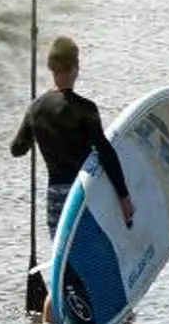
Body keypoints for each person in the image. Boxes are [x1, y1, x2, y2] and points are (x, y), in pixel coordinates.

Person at [11, 35, 135, 235]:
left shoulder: (36, 108)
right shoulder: (86, 109)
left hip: (56, 199)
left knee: (64, 259)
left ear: (51, 68)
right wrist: (124, 197)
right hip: (82, 196)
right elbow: (106, 153)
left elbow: (17, 149)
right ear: (76, 68)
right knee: (87, 258)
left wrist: (34, 126)